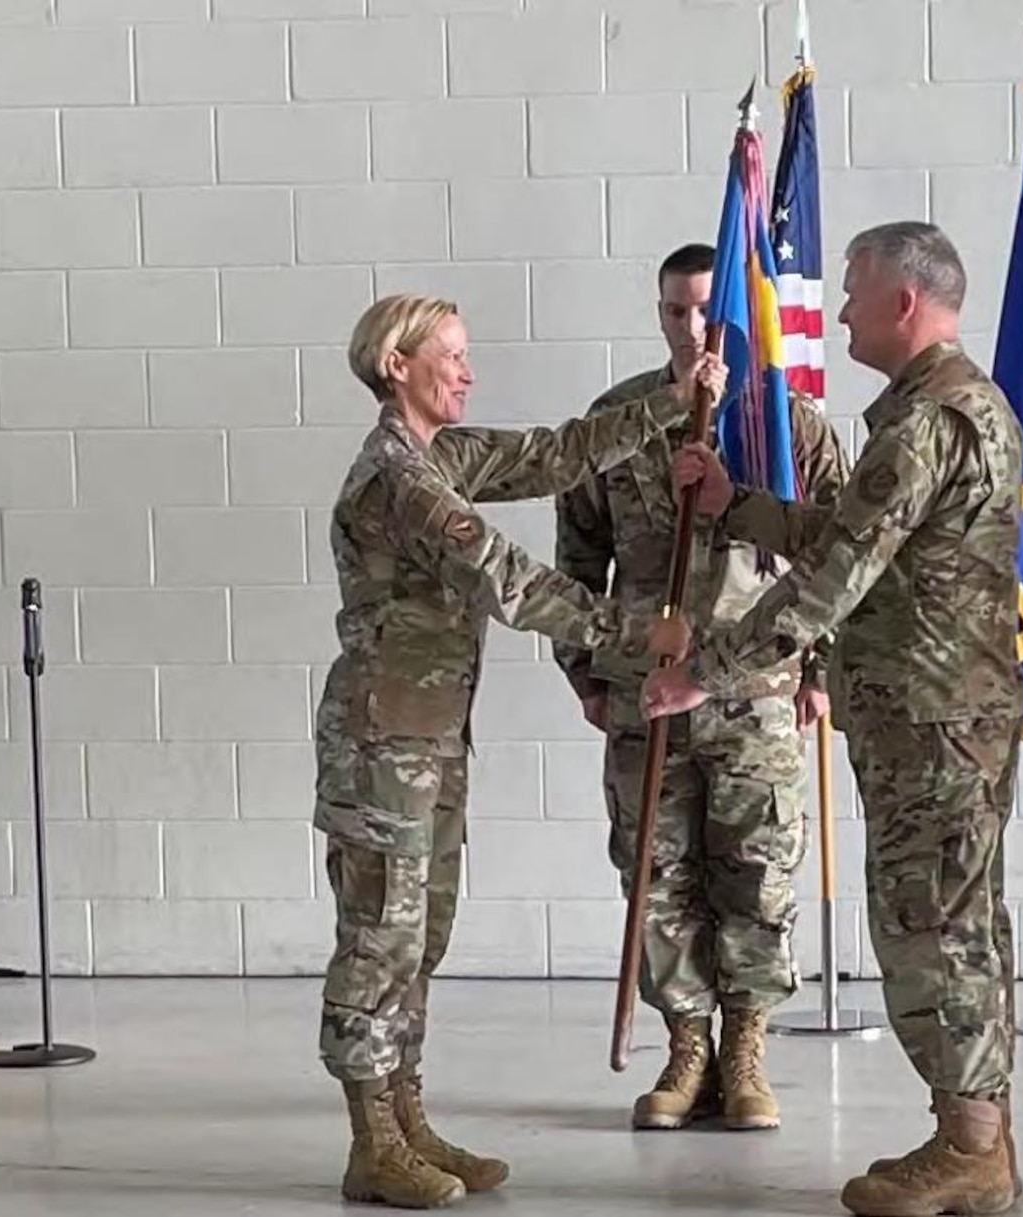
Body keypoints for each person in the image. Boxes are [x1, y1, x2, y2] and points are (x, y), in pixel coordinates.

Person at [643, 221, 1023, 1217]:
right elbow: (856, 535)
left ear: (905, 302)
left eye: (853, 292)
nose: (840, 311)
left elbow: (832, 581)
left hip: (931, 722)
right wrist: (742, 506)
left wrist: (708, 674)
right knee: (958, 921)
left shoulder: (924, 421)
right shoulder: (942, 404)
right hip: (938, 716)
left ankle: (970, 1145)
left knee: (931, 926)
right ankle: (976, 1131)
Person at [315, 292, 722, 1210]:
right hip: (382, 741)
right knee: (381, 935)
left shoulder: (442, 455)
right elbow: (506, 577)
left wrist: (671, 398)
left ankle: (406, 1117)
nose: (467, 370)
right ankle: (371, 1139)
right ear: (397, 366)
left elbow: (554, 453)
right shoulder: (397, 477)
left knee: (424, 934)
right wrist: (636, 633)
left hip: (429, 736)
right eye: (450, 355)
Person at [553, 241, 849, 1132]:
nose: (693, 329)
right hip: (647, 688)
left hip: (757, 686)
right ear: (658, 315)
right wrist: (585, 670)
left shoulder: (785, 427)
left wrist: (822, 670)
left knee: (756, 870)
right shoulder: (617, 421)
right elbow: (578, 558)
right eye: (677, 311)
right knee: (656, 869)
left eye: (709, 313)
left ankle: (748, 1046)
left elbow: (839, 553)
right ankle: (687, 1046)